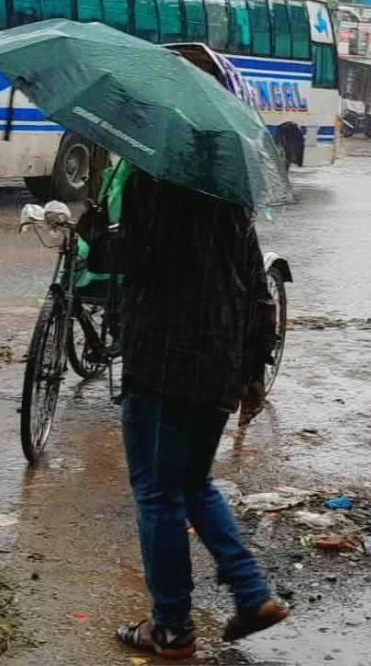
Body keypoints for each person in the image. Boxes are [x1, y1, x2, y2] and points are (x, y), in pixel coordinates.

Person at [114, 171, 288, 659]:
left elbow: (135, 261)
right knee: (193, 483)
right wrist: (252, 371)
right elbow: (256, 285)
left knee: (158, 493)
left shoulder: (152, 181)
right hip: (220, 364)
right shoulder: (230, 193)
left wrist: (94, 230)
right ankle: (252, 595)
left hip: (162, 363)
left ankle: (170, 626)